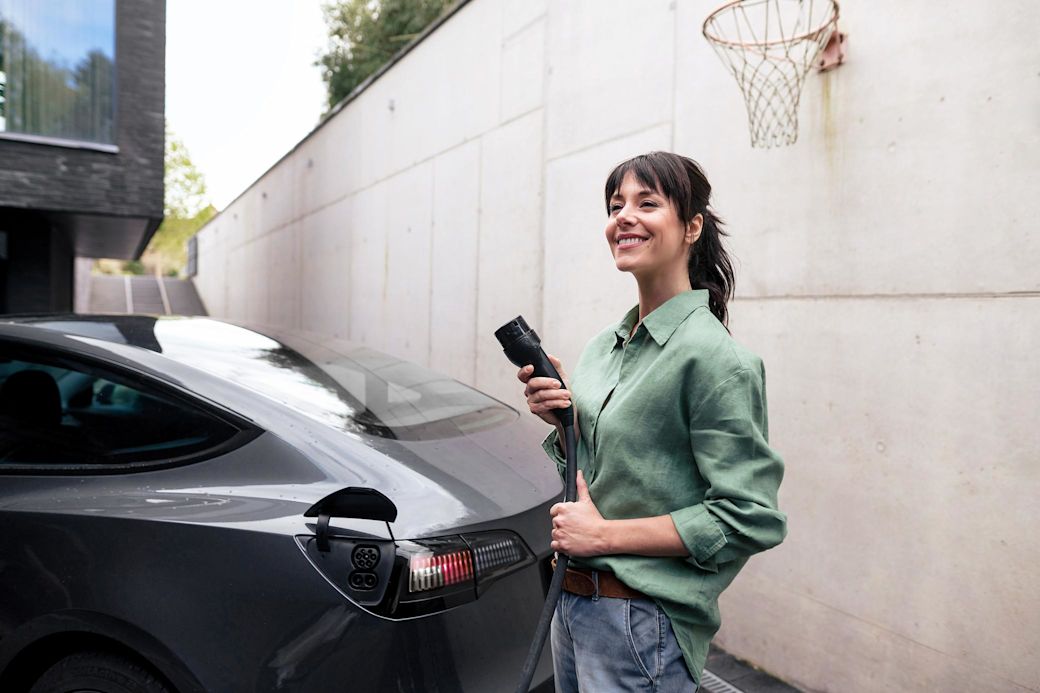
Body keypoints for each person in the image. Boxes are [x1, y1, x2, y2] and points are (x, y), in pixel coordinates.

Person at [517, 151, 787, 692]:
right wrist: (564, 421)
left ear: (691, 227)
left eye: (647, 203)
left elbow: (749, 517)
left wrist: (602, 537)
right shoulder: (602, 347)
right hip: (571, 609)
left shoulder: (715, 359)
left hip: (639, 624)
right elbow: (613, 472)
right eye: (616, 205)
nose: (624, 216)